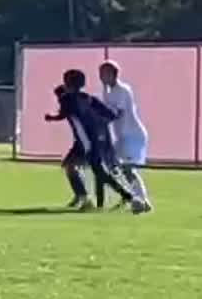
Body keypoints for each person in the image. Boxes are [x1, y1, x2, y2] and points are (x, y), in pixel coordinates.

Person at [47, 69, 144, 213]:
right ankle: (88, 197)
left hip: (85, 141)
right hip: (95, 138)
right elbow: (110, 114)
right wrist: (100, 124)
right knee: (80, 168)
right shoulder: (89, 98)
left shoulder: (68, 99)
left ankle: (125, 197)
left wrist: (51, 117)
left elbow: (64, 114)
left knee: (91, 170)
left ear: (68, 83)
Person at [97, 60, 152, 209]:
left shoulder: (123, 90)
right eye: (100, 73)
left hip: (133, 136)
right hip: (122, 137)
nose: (101, 77)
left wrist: (99, 121)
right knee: (111, 163)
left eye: (104, 73)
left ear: (113, 74)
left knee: (128, 169)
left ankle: (143, 200)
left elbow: (116, 114)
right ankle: (131, 196)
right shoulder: (107, 91)